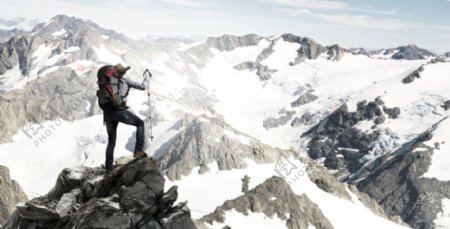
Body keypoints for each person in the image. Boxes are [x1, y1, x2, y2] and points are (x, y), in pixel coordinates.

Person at [103, 64, 151, 175]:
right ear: (123, 73)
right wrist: (147, 77)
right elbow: (143, 87)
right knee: (140, 124)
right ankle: (138, 150)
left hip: (107, 114)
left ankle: (109, 169)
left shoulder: (108, 82)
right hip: (119, 111)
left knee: (111, 141)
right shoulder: (125, 81)